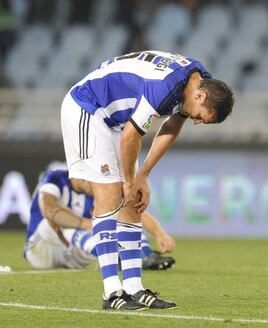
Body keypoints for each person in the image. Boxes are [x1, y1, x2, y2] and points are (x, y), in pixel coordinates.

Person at [60, 50, 234, 310]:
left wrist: (142, 177)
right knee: (111, 194)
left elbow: (171, 127)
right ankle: (111, 293)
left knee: (134, 203)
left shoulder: (197, 80)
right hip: (87, 108)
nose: (196, 122)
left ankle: (134, 288)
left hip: (115, 121)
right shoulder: (164, 87)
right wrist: (130, 182)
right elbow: (131, 136)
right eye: (200, 116)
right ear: (201, 95)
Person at [24, 169, 176, 271]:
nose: (99, 185)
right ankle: (115, 259)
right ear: (81, 175)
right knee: (53, 222)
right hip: (44, 249)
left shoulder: (95, 192)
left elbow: (130, 210)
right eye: (95, 180)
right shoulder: (56, 178)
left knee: (121, 218)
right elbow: (49, 209)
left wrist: (160, 233)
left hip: (77, 251)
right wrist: (86, 224)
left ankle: (146, 255)